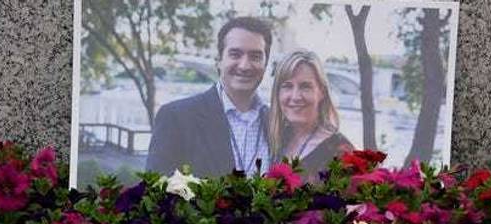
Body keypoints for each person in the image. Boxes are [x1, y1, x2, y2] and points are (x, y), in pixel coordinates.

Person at [145, 17, 272, 178]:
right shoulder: (176, 117)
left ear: (265, 64)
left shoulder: (277, 124)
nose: (244, 65)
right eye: (235, 54)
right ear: (218, 61)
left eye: (255, 56)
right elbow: (156, 189)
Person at [268, 50, 353, 178]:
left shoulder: (339, 151)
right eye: (287, 86)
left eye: (305, 86)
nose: (295, 96)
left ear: (322, 92)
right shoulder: (275, 139)